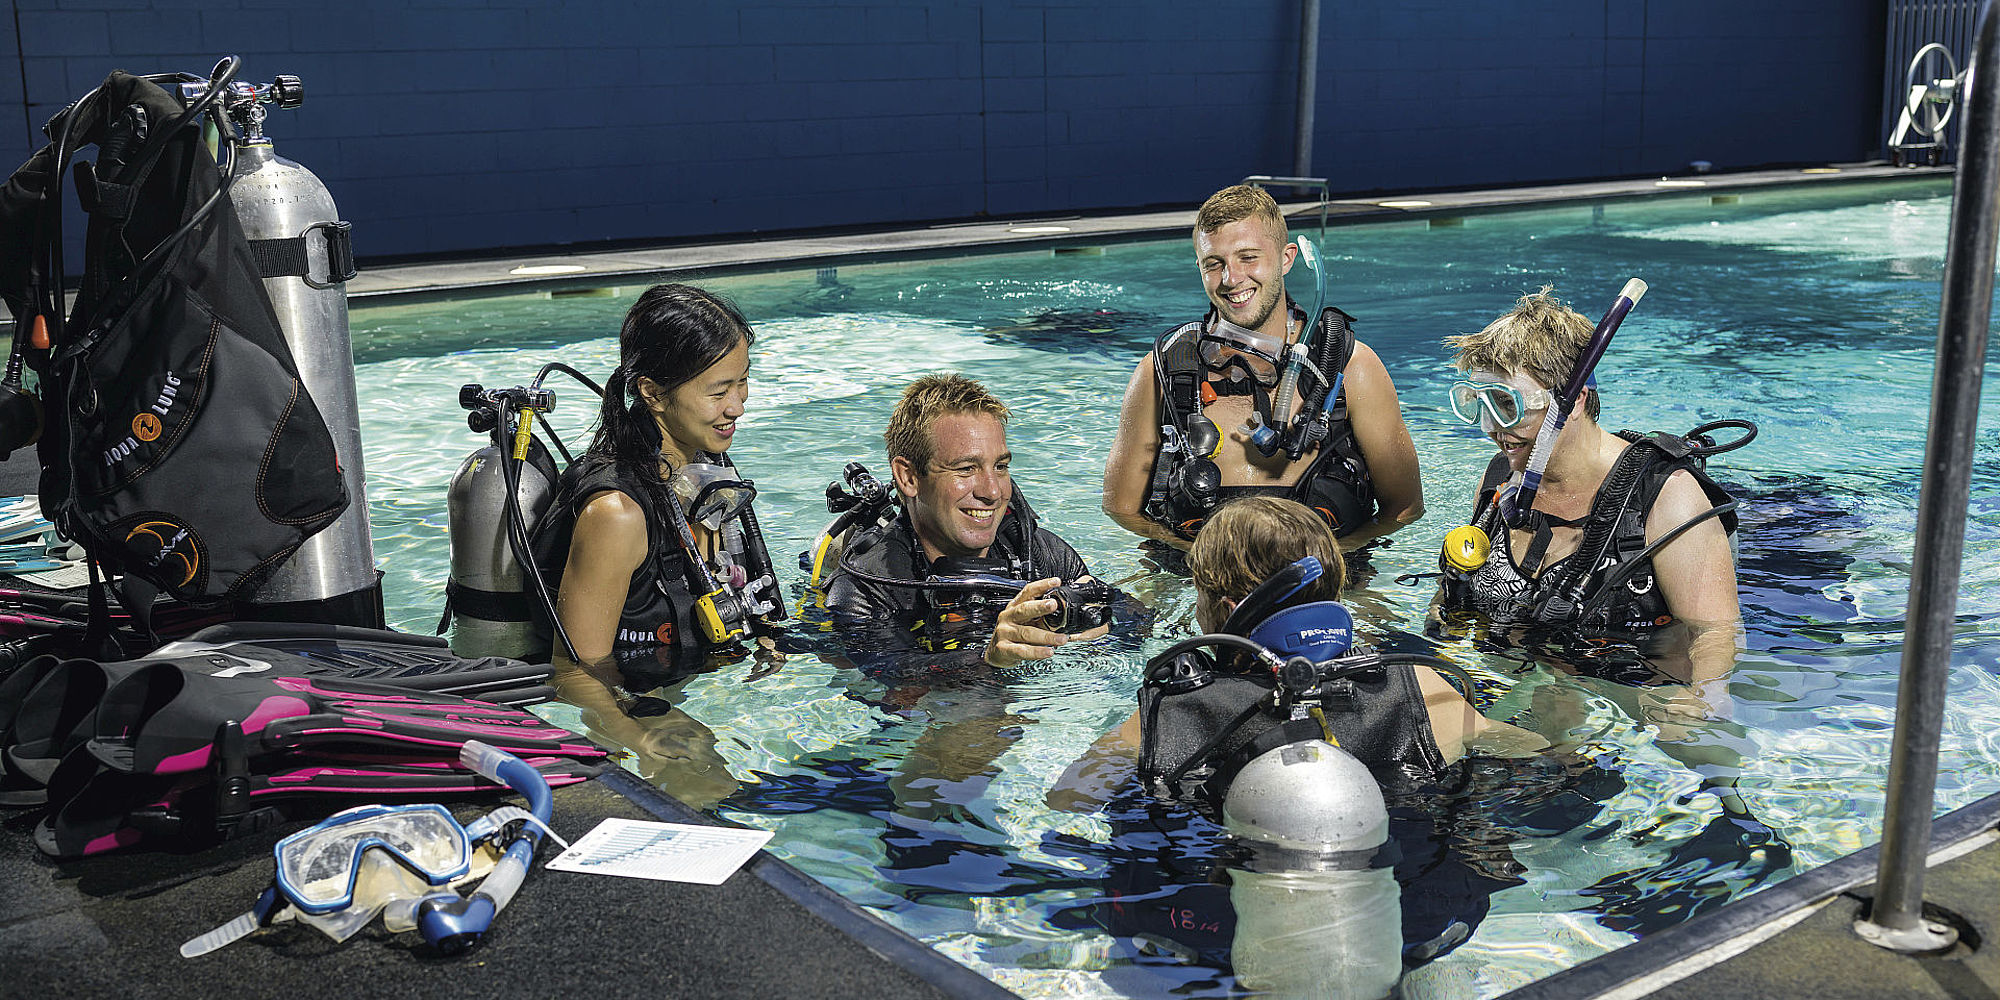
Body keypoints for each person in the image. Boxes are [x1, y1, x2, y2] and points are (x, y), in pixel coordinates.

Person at [1054, 496, 1544, 813]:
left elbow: (1067, 800)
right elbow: (1538, 758)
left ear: (1226, 609)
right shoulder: (1421, 689)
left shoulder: (1169, 714)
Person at [1102, 183, 1424, 554]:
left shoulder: (1351, 368)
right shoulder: (1165, 371)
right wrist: (1200, 561)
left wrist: (1327, 562)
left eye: (1248, 257)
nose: (1231, 278)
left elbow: (1404, 508)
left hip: (1329, 582)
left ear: (1286, 259)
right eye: (1214, 263)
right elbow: (1121, 509)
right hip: (1194, 581)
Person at [531, 283, 786, 716]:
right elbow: (576, 675)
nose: (738, 406)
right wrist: (646, 740)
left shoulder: (706, 472)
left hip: (691, 685)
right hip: (634, 707)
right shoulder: (617, 514)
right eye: (718, 391)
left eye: (743, 383)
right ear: (652, 393)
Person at [821, 373, 1109, 680]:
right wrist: (988, 660)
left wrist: (1106, 628)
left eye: (1000, 467)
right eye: (966, 468)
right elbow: (893, 677)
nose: (993, 492)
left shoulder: (1039, 555)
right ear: (908, 478)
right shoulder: (867, 589)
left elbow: (1137, 626)